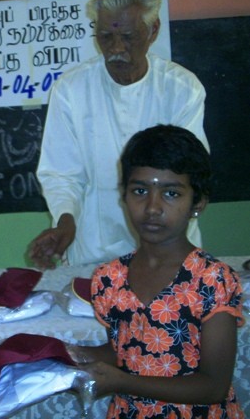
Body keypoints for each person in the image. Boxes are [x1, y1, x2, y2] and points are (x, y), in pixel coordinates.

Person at [30, 0, 209, 269]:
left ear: (153, 30)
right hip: (95, 253)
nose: (115, 49)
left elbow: (188, 175)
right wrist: (65, 223)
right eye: (105, 36)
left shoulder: (181, 89)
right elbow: (61, 174)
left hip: (170, 253)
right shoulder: (71, 89)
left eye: (128, 37)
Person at [67, 124, 245, 418]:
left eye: (171, 193)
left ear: (198, 203)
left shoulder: (212, 279)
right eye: (140, 191)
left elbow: (214, 386)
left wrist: (123, 382)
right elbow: (127, 349)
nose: (152, 207)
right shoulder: (109, 277)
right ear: (123, 195)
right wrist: (70, 354)